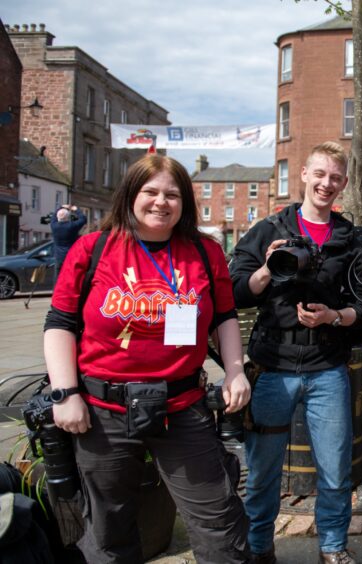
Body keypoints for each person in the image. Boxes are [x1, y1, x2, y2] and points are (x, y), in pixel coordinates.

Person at [43, 154, 252, 563]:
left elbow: (224, 316)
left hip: (182, 407)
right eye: (150, 192)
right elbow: (60, 322)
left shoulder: (205, 252)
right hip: (103, 412)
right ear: (130, 196)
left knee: (219, 522)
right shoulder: (93, 249)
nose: (161, 202)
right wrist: (64, 393)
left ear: (185, 203)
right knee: (108, 529)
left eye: (172, 194)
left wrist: (234, 372)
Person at [229, 141, 362, 564]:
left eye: (335, 177)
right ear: (304, 175)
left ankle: (332, 545)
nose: (326, 183)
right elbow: (237, 293)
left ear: (343, 183)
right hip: (273, 367)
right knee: (264, 470)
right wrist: (266, 269)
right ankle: (259, 546)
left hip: (327, 367)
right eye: (320, 174)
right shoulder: (269, 229)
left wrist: (333, 316)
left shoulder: (351, 238)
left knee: (334, 467)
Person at [50, 204, 87, 271]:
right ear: (68, 217)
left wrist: (61, 207)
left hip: (59, 257)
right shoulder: (72, 226)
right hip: (71, 255)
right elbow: (83, 219)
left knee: (58, 277)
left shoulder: (54, 226)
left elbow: (53, 217)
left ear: (58, 217)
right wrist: (76, 210)